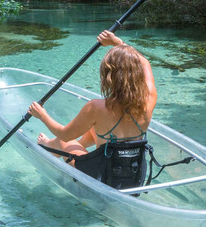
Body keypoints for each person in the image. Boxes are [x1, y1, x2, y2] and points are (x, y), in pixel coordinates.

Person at [28, 30, 157, 168]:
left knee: (62, 141)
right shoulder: (149, 99)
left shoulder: (97, 107)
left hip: (102, 175)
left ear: (108, 77)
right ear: (137, 72)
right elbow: (145, 63)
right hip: (134, 171)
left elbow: (65, 135)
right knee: (94, 129)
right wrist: (118, 43)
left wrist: (42, 115)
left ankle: (49, 146)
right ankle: (79, 146)